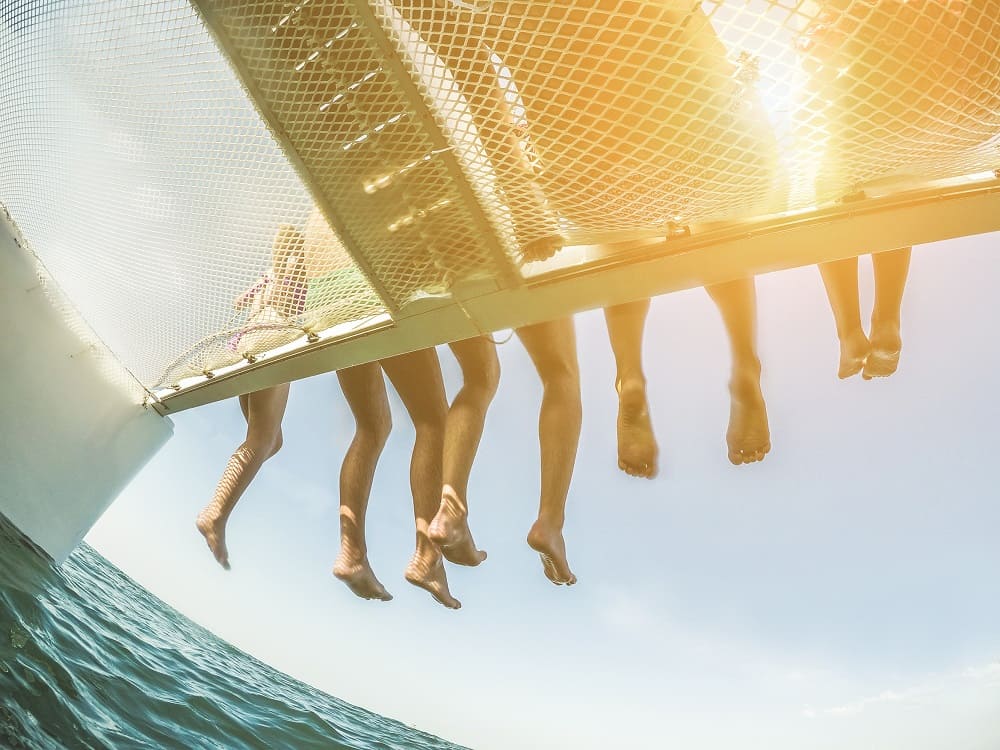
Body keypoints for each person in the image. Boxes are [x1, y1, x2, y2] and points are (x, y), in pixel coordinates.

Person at [400, 1, 773, 476]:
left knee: (617, 216)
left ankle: (629, 377)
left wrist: (523, 203)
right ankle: (745, 364)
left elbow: (469, 72)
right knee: (720, 211)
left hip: (589, 175)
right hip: (702, 143)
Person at [196, 225, 307, 569]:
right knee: (263, 438)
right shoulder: (297, 269)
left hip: (242, 344)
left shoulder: (269, 275)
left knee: (274, 441)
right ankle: (215, 513)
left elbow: (239, 301)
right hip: (272, 339)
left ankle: (218, 507)